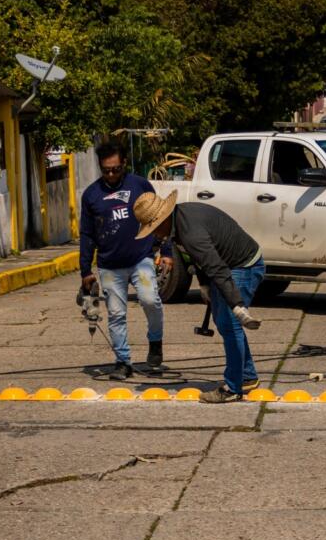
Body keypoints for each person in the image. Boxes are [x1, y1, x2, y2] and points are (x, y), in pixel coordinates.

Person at [133, 191, 264, 404]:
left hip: (244, 265)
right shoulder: (180, 221)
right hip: (230, 265)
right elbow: (202, 259)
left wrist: (238, 306)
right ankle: (247, 376)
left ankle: (233, 388)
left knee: (230, 324)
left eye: (154, 229)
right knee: (224, 324)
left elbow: (216, 267)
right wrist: (205, 286)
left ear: (162, 219)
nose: (155, 235)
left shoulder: (190, 231)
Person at [80, 142, 172, 380]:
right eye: (106, 170)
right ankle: (123, 361)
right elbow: (87, 234)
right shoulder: (91, 195)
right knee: (116, 314)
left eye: (116, 169)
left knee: (150, 300)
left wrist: (168, 251)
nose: (111, 175)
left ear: (124, 164)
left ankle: (155, 344)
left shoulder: (140, 185)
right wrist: (85, 270)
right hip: (109, 265)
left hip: (141, 258)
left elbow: (159, 216)